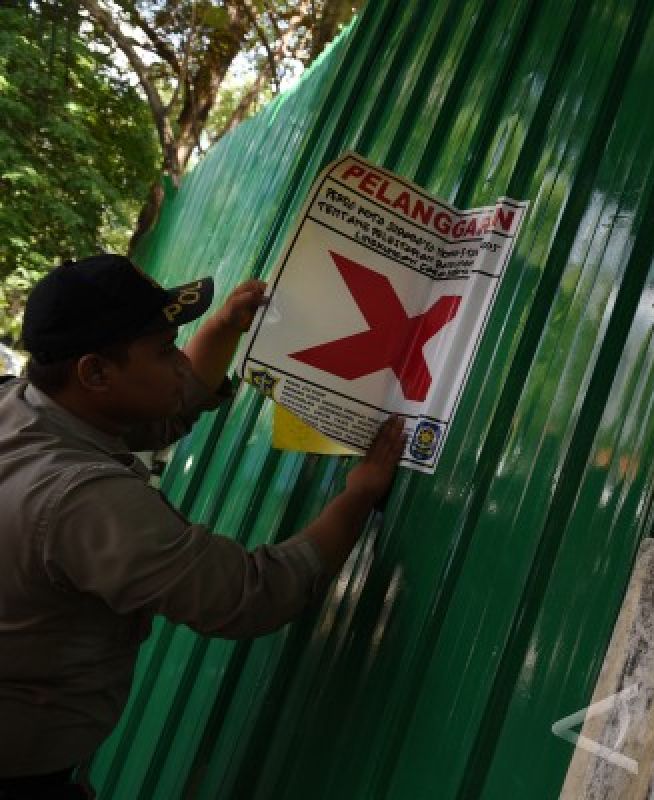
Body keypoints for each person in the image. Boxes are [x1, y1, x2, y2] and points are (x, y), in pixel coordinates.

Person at [0, 254, 407, 798]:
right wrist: (358, 496)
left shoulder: (24, 405)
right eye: (165, 349)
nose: (177, 363)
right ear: (94, 371)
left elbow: (162, 403)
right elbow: (251, 596)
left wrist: (221, 328)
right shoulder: (77, 501)